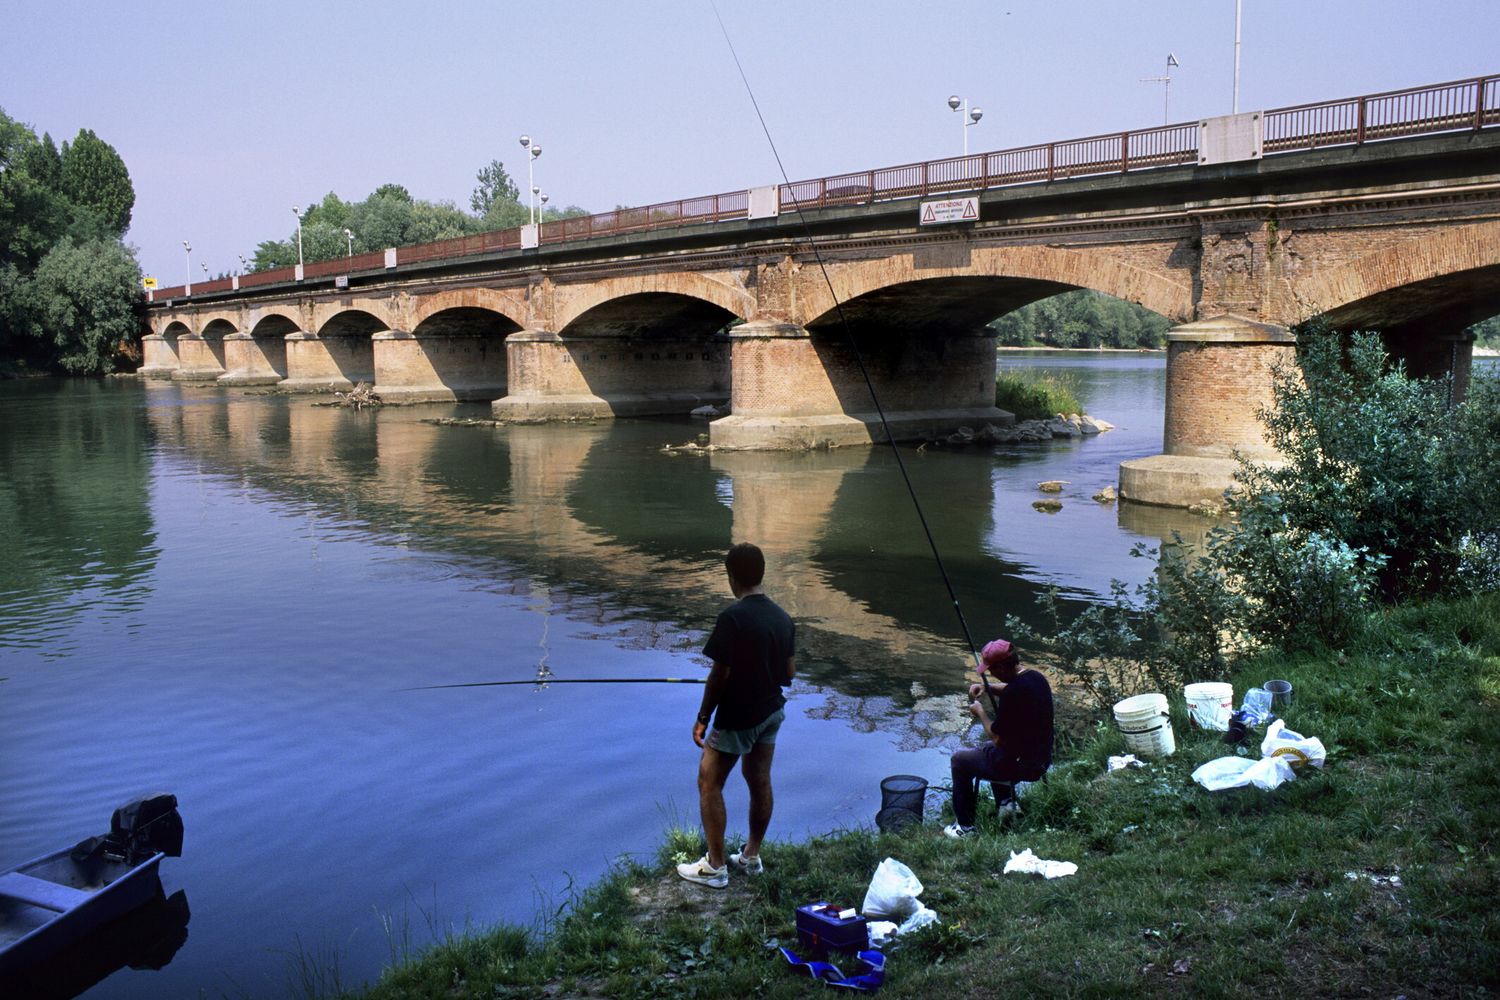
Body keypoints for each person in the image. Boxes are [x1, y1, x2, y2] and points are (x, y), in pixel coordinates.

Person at [676, 542, 796, 888]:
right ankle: (751, 856)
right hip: (772, 711)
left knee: (709, 781)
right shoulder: (782, 617)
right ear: (760, 574)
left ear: (732, 577)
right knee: (759, 780)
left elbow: (719, 676)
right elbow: (788, 672)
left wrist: (702, 717)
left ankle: (715, 867)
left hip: (738, 715)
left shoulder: (732, 618)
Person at [943, 637, 1053, 839]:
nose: (989, 674)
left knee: (959, 760)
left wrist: (980, 712)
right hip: (1042, 758)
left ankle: (965, 828)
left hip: (1024, 766)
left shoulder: (1013, 696)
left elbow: (999, 739)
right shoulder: (1036, 678)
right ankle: (1007, 804)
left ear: (1001, 667)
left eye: (991, 670)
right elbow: (1012, 688)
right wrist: (987, 687)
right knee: (986, 750)